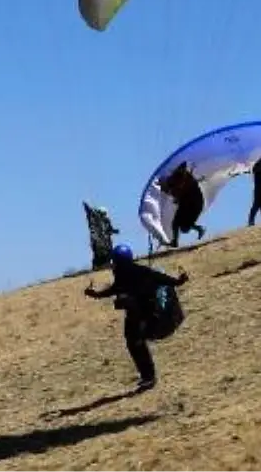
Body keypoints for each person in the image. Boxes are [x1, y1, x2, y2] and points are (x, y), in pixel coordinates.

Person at [84, 244, 189, 392]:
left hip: (147, 315)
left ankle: (149, 377)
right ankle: (147, 376)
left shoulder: (139, 272)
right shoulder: (125, 274)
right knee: (133, 343)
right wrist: (96, 294)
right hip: (135, 316)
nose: (113, 265)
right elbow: (115, 290)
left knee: (136, 344)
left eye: (114, 261)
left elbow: (162, 279)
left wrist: (179, 281)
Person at [156, 161, 207, 247]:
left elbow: (184, 167)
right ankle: (198, 229)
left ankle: (176, 242)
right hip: (187, 203)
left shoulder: (177, 179)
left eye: (162, 187)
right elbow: (178, 196)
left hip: (194, 203)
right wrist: (177, 199)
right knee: (182, 226)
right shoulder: (173, 188)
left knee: (180, 225)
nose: (162, 190)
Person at [83, 201, 120, 271]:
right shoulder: (94, 220)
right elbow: (90, 213)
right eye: (103, 214)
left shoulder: (107, 220)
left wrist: (114, 231)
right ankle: (97, 267)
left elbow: (109, 229)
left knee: (108, 253)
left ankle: (106, 265)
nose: (105, 215)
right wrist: (86, 205)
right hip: (97, 240)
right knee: (99, 253)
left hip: (107, 241)